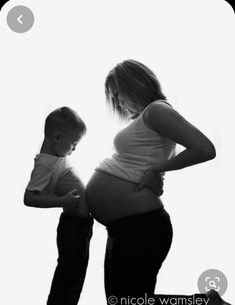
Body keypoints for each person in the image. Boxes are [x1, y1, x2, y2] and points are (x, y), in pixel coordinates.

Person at [86, 60, 230, 305]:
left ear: (135, 83)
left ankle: (207, 303)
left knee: (129, 301)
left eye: (119, 93)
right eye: (113, 97)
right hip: (123, 227)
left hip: (141, 227)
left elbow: (205, 149)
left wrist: (157, 169)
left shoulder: (156, 110)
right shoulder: (144, 118)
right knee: (121, 301)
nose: (117, 101)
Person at [24, 106, 93, 305]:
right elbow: (29, 198)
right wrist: (62, 201)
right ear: (57, 137)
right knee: (69, 277)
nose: (74, 149)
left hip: (79, 226)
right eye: (73, 144)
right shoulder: (45, 163)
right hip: (73, 227)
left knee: (74, 275)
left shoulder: (56, 159)